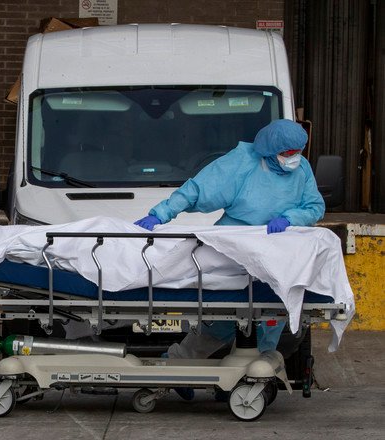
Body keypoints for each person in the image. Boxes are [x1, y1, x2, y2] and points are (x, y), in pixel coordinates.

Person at [134, 119, 325, 400]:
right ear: (269, 150)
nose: (293, 158)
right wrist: (160, 214)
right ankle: (178, 365)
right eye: (287, 153)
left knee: (270, 320)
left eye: (298, 152)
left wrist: (290, 218)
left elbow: (314, 206)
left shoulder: (302, 169)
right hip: (234, 250)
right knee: (222, 322)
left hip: (277, 255)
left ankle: (247, 380)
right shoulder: (242, 163)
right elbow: (198, 190)